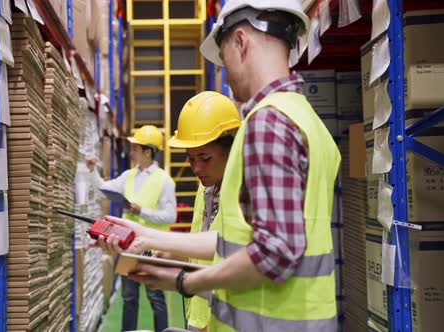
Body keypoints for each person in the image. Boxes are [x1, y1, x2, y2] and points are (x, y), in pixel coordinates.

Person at [95, 1, 341, 331]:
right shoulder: (307, 119)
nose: (224, 72)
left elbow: (276, 252)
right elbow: (237, 240)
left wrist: (186, 281)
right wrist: (149, 236)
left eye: (223, 59)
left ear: (241, 41)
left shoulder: (268, 122)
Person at [87, 124, 176, 332]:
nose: (131, 151)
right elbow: (105, 189)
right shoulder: (129, 176)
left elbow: (170, 215)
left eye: (136, 148)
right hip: (127, 245)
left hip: (153, 248)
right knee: (129, 296)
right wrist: (92, 171)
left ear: (148, 152)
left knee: (156, 298)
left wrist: (141, 211)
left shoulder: (165, 181)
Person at [166, 91, 240, 331]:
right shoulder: (205, 188)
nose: (196, 168)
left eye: (204, 158)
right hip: (200, 315)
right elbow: (204, 246)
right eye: (190, 159)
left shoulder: (245, 194)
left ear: (230, 148)